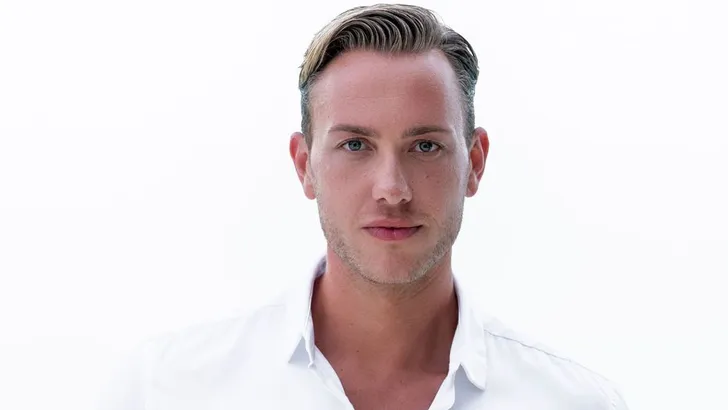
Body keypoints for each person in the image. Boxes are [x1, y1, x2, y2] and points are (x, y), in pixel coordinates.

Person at [101, 4, 628, 409]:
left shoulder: (575, 403)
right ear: (304, 165)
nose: (392, 189)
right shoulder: (167, 390)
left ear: (475, 162)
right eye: (355, 145)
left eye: (425, 146)